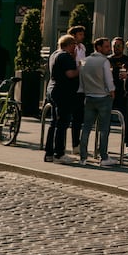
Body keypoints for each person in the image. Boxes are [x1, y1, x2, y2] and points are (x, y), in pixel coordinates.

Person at [78, 38, 118, 167]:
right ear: (99, 47)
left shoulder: (85, 61)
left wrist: (84, 90)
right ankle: (104, 157)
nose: (109, 49)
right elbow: (108, 79)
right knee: (104, 128)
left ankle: (83, 156)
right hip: (103, 97)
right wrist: (112, 90)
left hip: (89, 96)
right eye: (106, 47)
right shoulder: (104, 61)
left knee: (86, 127)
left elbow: (81, 79)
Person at [44, 35, 80, 165]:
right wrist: (80, 67)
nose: (75, 48)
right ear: (70, 45)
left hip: (52, 89)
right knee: (62, 123)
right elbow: (70, 74)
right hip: (63, 92)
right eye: (74, 45)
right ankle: (59, 154)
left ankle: (49, 153)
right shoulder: (65, 56)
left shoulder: (55, 54)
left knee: (54, 123)